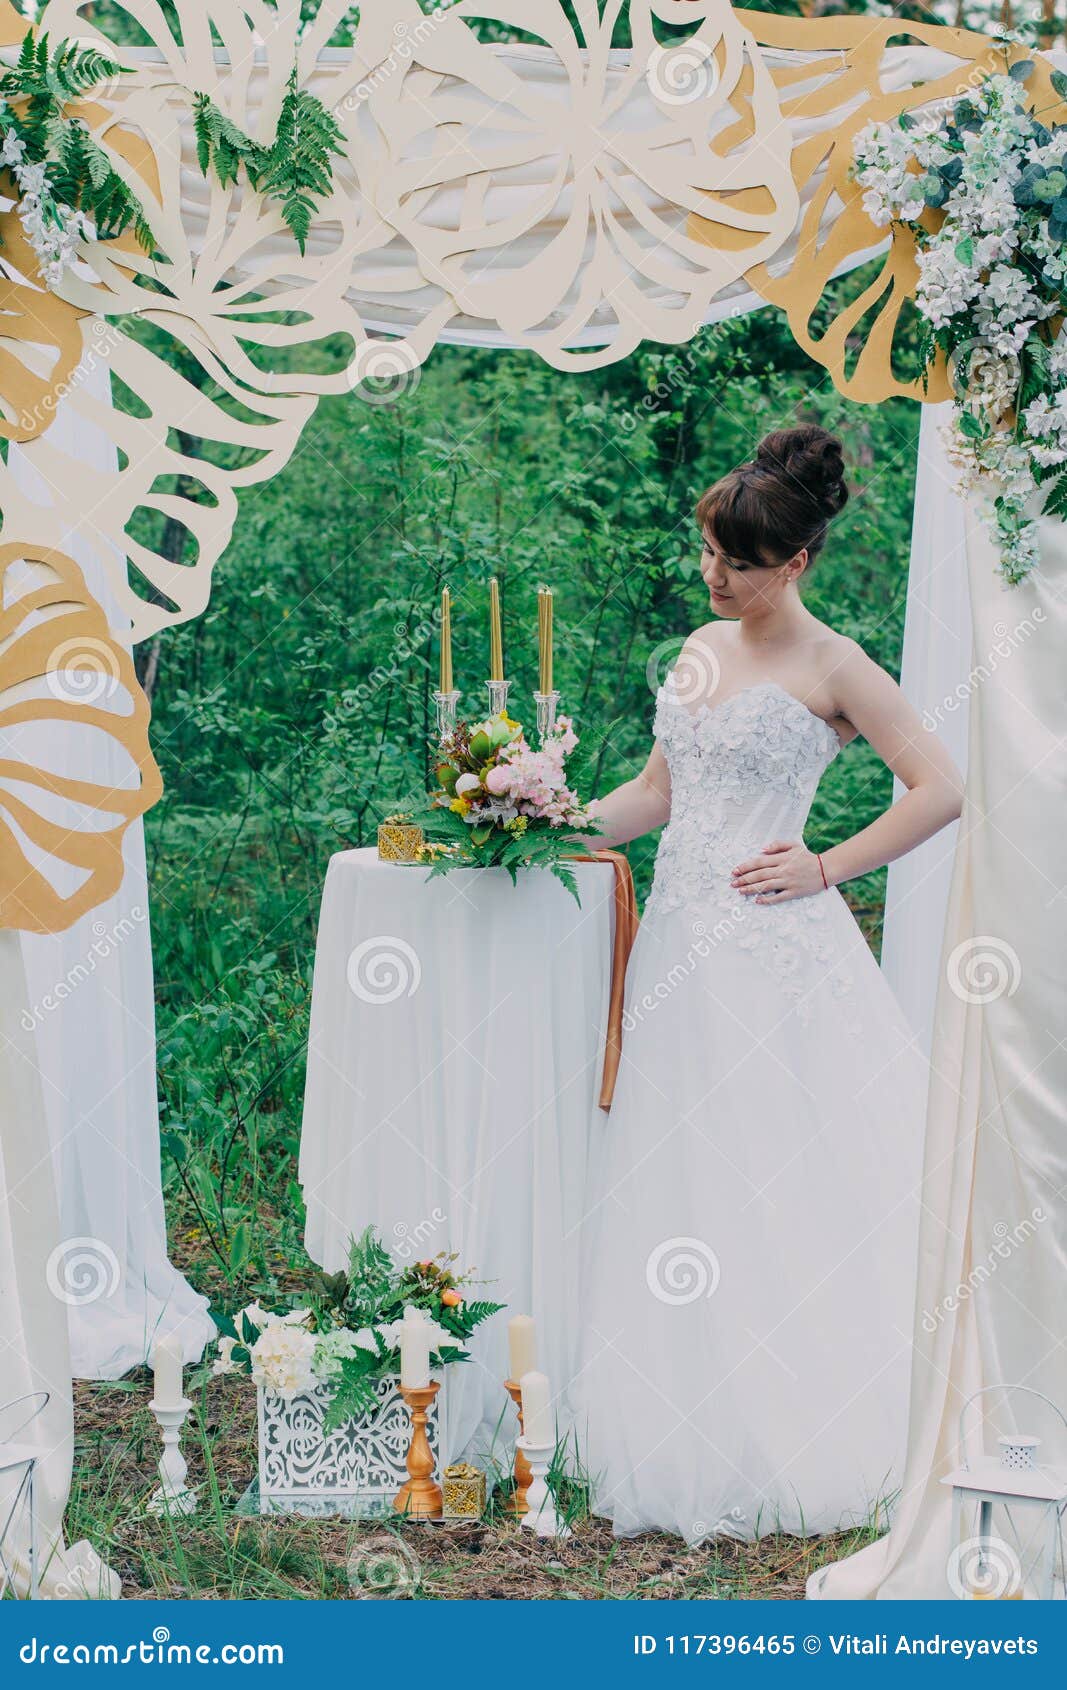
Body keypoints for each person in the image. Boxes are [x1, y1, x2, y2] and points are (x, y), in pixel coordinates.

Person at [573, 424, 963, 1543]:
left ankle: (804, 1413)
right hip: (678, 947)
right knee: (680, 1167)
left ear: (792, 561)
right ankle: (680, 1402)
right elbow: (656, 792)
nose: (714, 577)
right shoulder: (700, 643)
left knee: (781, 1168)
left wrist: (825, 863)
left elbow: (937, 786)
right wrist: (535, 823)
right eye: (707, 555)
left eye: (736, 564)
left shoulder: (834, 664)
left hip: (773, 949)